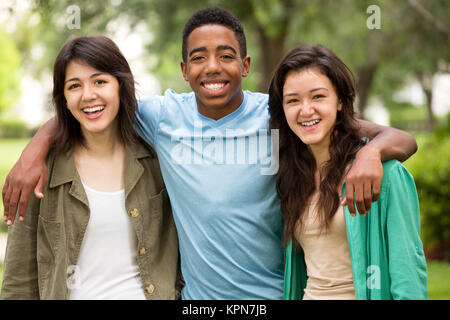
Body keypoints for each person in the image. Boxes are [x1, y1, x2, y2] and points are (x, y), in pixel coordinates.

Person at [2, 8, 418, 300]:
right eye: (198, 58)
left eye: (225, 56)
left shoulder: (279, 115)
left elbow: (390, 136)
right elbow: (95, 105)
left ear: (246, 64)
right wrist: (34, 151)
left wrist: (371, 153)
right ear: (184, 70)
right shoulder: (163, 117)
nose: (212, 67)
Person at [1, 36, 181, 300]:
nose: (88, 95)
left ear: (121, 85)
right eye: (74, 86)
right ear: (63, 98)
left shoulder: (157, 158)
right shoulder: (39, 171)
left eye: (100, 81)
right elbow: (18, 282)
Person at [268, 44, 427, 300]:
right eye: (293, 100)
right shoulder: (292, 176)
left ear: (340, 101)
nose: (306, 110)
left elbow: (408, 275)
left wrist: (370, 153)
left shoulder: (385, 174)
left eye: (318, 97)